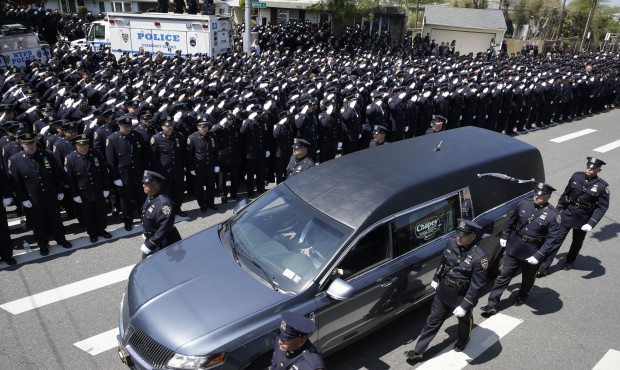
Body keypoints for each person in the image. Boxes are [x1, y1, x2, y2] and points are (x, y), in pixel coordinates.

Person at [404, 219, 488, 362]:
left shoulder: (479, 258)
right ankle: (418, 351)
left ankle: (463, 339)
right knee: (432, 320)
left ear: (473, 236)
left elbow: (477, 285)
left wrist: (465, 305)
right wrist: (436, 278)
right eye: (458, 234)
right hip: (443, 291)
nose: (458, 237)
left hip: (461, 297)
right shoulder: (451, 242)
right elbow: (444, 261)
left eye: (463, 235)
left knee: (464, 321)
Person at [479, 183, 560, 317]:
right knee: (503, 276)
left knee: (527, 278)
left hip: (533, 251)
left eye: (540, 196)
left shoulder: (552, 215)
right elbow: (512, 221)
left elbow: (552, 239)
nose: (536, 197)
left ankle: (523, 294)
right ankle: (492, 305)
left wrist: (539, 255)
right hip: (515, 246)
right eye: (535, 194)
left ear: (548, 196)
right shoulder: (524, 204)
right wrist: (505, 235)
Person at [541, 157, 610, 273]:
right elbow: (566, 193)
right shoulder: (576, 176)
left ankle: (570, 260)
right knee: (556, 239)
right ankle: (544, 266)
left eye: (593, 169)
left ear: (599, 170)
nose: (589, 170)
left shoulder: (602, 186)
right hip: (568, 212)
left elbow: (602, 207)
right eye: (588, 167)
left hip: (583, 217)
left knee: (577, 242)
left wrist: (591, 223)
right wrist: (558, 209)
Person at [8, 132, 72, 256]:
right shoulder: (15, 160)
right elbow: (16, 183)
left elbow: (57, 174)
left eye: (32, 143)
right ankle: (42, 244)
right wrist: (23, 199)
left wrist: (59, 190)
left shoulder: (46, 154)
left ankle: (61, 239)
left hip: (50, 194)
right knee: (38, 223)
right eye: (26, 144)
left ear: (35, 142)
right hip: (33, 199)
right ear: (21, 144)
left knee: (56, 219)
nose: (30, 146)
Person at [64, 134, 113, 243]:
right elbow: (71, 179)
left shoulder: (96, 154)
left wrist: (106, 187)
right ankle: (92, 233)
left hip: (98, 189)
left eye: (86, 144)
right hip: (83, 192)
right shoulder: (70, 158)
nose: (85, 146)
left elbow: (104, 172)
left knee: (100, 211)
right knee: (88, 214)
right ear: (76, 145)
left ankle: (102, 230)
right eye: (82, 144)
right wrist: (75, 194)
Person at [105, 116, 149, 231]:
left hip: (139, 173)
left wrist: (146, 171)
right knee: (126, 201)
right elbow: (111, 160)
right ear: (119, 126)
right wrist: (115, 177)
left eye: (129, 126)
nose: (128, 129)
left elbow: (145, 155)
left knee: (142, 198)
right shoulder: (112, 139)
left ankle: (144, 218)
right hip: (123, 175)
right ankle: (128, 221)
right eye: (125, 126)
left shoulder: (137, 135)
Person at [140, 170, 182, 259]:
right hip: (153, 237)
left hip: (164, 243)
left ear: (156, 185)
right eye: (144, 182)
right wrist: (147, 233)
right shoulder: (151, 195)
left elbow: (164, 227)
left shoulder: (164, 203)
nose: (143, 185)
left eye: (147, 183)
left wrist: (150, 245)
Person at [150, 117, 187, 216]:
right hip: (164, 171)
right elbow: (153, 157)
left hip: (178, 169)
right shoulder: (156, 138)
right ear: (162, 127)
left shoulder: (179, 136)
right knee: (166, 192)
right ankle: (167, 211)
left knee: (179, 191)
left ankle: (177, 208)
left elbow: (183, 153)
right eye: (167, 126)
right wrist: (156, 173)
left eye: (171, 125)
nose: (170, 128)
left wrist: (185, 166)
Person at [187, 121, 219, 213]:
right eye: (202, 127)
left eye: (206, 126)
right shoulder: (192, 138)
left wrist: (216, 164)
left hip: (210, 165)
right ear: (198, 127)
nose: (204, 128)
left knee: (210, 186)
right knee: (199, 187)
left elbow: (215, 151)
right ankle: (202, 204)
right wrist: (191, 168)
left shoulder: (212, 136)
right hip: (198, 167)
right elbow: (189, 155)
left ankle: (210, 203)